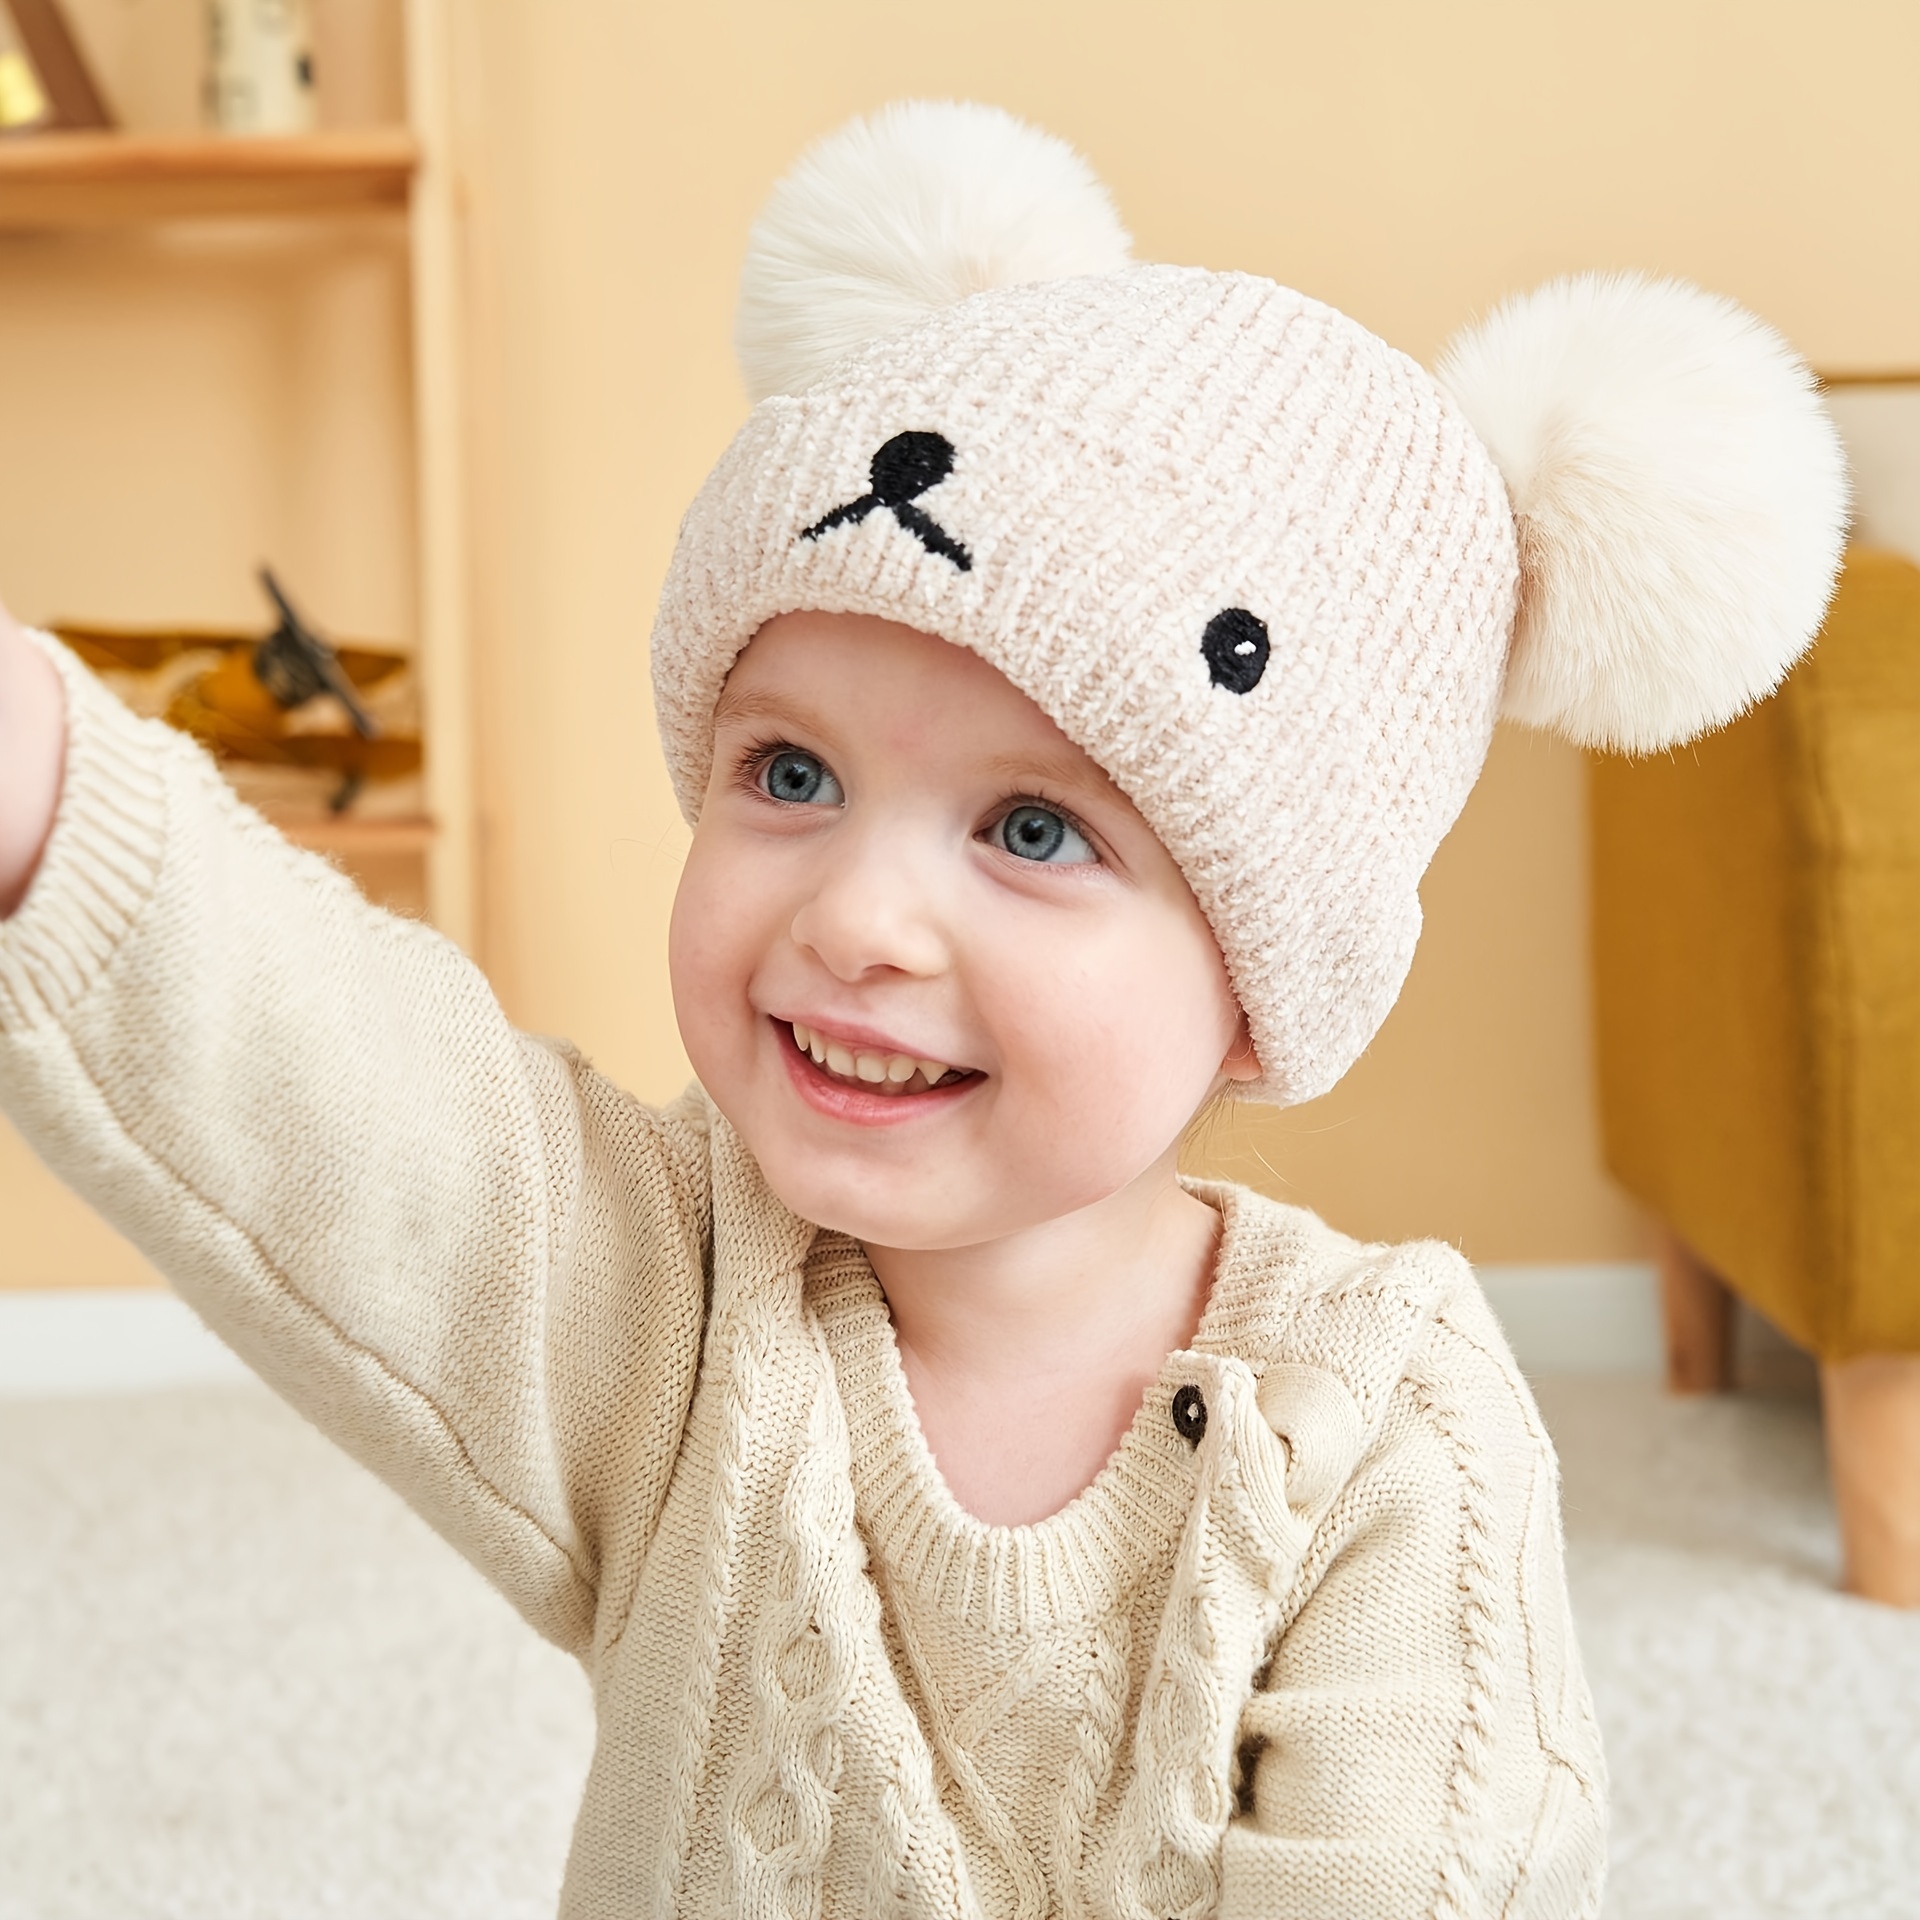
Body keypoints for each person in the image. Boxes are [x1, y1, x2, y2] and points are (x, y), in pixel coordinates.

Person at [0, 101, 1845, 1920]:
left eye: (1036, 829)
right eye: (787, 774)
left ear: (1261, 996)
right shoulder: (675, 1305)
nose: (859, 916)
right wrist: (45, 789)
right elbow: (347, 1099)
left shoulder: (1386, 1430)